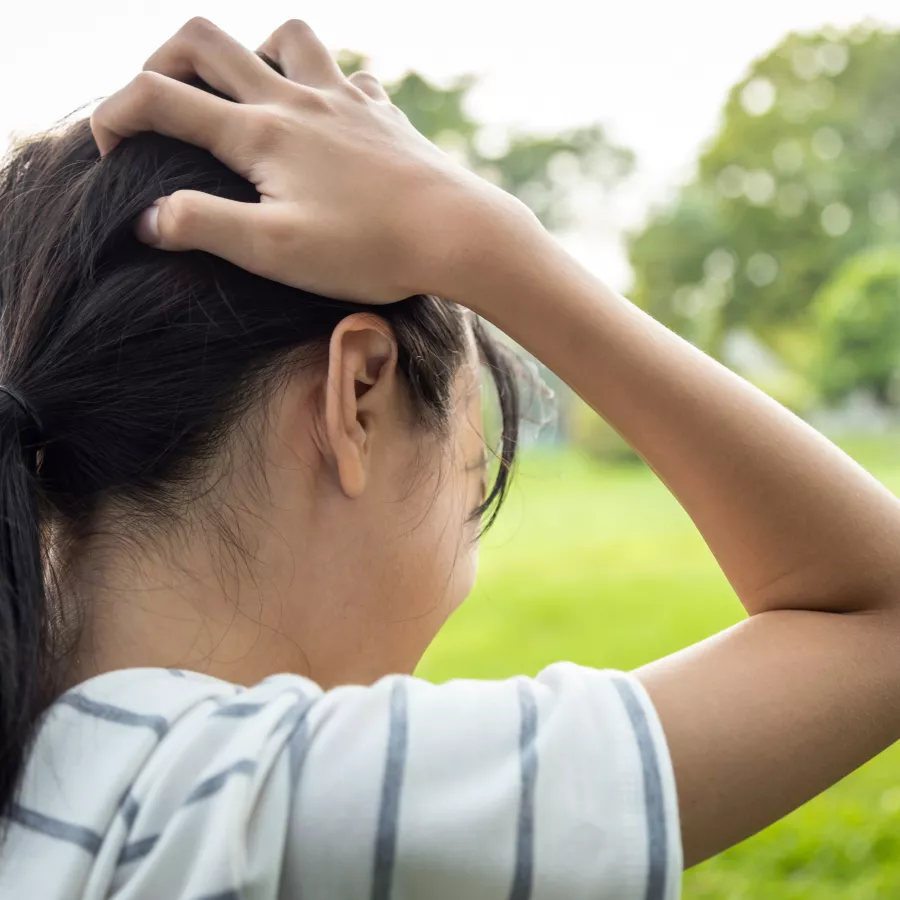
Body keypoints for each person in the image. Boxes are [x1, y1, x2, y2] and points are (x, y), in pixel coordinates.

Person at [1, 17, 900, 900]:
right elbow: (882, 616)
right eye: (475, 484)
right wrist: (481, 239)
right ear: (357, 397)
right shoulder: (281, 811)